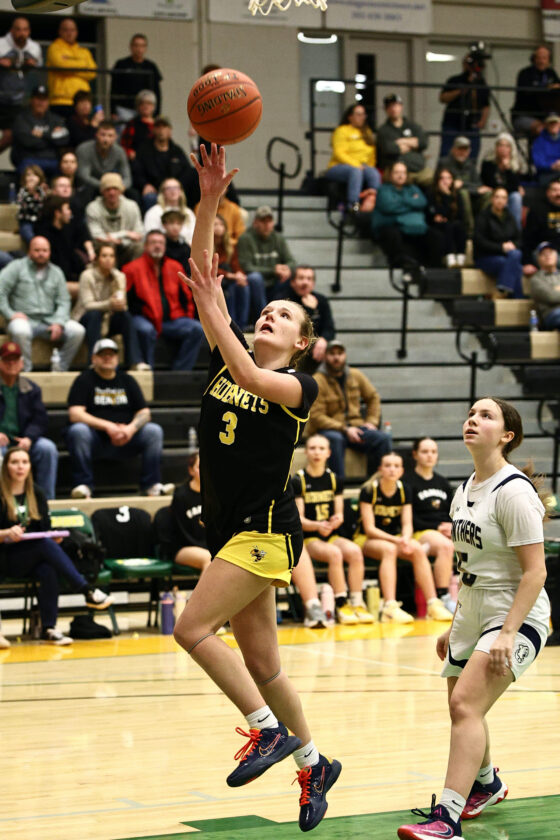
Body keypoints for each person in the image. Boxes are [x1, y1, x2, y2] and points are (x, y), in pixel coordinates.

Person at [173, 144, 341, 831]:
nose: (268, 315)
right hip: (229, 526)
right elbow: (200, 271)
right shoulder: (230, 356)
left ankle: (266, 729)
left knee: (190, 629)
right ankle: (314, 764)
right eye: (265, 310)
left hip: (264, 529)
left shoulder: (300, 386)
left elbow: (247, 374)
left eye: (283, 315)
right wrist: (210, 197)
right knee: (266, 665)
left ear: (302, 342)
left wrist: (212, 303)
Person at [397, 398, 550, 839]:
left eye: (486, 416)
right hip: (473, 607)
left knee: (466, 704)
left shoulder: (513, 491)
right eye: (470, 414)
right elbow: (469, 566)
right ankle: (487, 784)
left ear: (507, 436)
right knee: (463, 707)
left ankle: (446, 821)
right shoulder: (464, 487)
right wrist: (455, 624)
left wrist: (507, 633)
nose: (472, 420)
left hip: (514, 611)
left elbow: (535, 572)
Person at [0, 447, 113, 645]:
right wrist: (6, 533)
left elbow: (44, 529)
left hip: (31, 555)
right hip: (5, 558)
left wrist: (55, 538)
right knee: (44, 546)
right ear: (5, 467)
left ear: (30, 467)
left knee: (48, 568)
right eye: (14, 462)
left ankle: (49, 628)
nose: (20, 467)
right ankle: (86, 590)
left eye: (24, 462)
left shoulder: (36, 493)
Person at [354, 452, 454, 624]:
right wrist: (397, 541)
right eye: (388, 466)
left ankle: (433, 604)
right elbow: (370, 529)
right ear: (380, 469)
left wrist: (406, 539)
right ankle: (390, 607)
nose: (392, 469)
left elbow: (407, 523)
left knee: (417, 548)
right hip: (366, 539)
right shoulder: (369, 490)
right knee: (389, 550)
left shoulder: (404, 489)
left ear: (401, 471)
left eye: (396, 466)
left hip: (395, 538)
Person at [66, 338, 170, 499]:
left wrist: (130, 429)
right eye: (103, 354)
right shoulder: (84, 380)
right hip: (96, 440)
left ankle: (151, 486)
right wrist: (109, 426)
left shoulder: (127, 380)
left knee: (153, 431)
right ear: (93, 358)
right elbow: (75, 413)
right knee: (78, 431)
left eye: (111, 354)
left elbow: (144, 413)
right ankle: (84, 486)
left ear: (117, 358)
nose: (108, 357)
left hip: (126, 438)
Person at [292, 434, 375, 625]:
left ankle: (357, 602)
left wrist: (335, 521)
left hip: (331, 533)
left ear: (328, 453)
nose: (317, 452)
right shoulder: (298, 480)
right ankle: (341, 603)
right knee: (335, 554)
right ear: (306, 452)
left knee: (355, 551)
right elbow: (299, 519)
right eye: (313, 448)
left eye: (321, 448)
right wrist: (318, 525)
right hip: (310, 537)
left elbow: (339, 514)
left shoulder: (334, 479)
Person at [307, 339, 392, 478]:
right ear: (325, 356)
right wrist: (345, 429)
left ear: (345, 355)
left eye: (340, 353)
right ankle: (338, 486)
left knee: (383, 439)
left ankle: (377, 484)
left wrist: (371, 421)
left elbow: (373, 397)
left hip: (356, 427)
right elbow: (316, 416)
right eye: (332, 354)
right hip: (330, 429)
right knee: (335, 439)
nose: (336, 357)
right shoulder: (318, 380)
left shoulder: (356, 375)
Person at [0, 236, 85, 372]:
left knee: (78, 330)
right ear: (29, 251)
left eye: (45, 250)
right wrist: (10, 314)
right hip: (24, 319)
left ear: (49, 252)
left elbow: (64, 301)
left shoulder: (57, 272)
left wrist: (59, 322)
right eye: (37, 250)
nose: (41, 254)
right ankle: (25, 371)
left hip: (50, 320)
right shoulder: (16, 267)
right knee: (20, 330)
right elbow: (1, 291)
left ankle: (60, 367)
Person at [123, 230, 204, 371]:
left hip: (172, 320)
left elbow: (187, 297)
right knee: (146, 329)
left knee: (197, 329)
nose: (157, 246)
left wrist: (187, 315)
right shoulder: (131, 269)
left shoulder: (175, 267)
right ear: (145, 246)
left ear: (165, 246)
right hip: (144, 318)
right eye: (153, 242)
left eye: (161, 243)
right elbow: (126, 300)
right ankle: (148, 372)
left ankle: (180, 373)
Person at [0, 340, 58, 500]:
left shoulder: (32, 388)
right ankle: (4, 501)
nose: (11, 364)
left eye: (15, 360)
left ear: (22, 363)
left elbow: (40, 419)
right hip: (1, 443)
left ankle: (46, 501)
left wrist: (29, 438)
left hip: (23, 441)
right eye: (7, 360)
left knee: (47, 448)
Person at [72, 243, 143, 368]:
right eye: (104, 256)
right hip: (86, 318)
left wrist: (120, 304)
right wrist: (109, 303)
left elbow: (123, 304)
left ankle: (134, 362)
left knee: (125, 316)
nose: (108, 259)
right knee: (95, 315)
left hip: (108, 319)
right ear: (97, 259)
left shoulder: (119, 276)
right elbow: (88, 305)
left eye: (111, 256)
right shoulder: (87, 275)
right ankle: (93, 362)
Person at [407, 437, 456, 614]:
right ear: (415, 454)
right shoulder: (407, 481)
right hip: (420, 532)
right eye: (425, 451)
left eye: (433, 452)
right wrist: (437, 528)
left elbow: (453, 511)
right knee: (446, 546)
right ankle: (443, 597)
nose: (430, 455)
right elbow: (408, 517)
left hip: (443, 531)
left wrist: (452, 526)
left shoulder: (442, 482)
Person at [371, 161, 440, 272]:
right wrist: (411, 204)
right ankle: (401, 267)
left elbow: (422, 202)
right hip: (392, 226)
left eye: (403, 172)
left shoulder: (413, 188)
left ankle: (434, 270)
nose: (400, 175)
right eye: (397, 172)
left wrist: (400, 202)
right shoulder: (383, 189)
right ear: (390, 174)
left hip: (413, 226)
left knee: (435, 235)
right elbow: (389, 207)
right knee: (392, 235)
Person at [276, 265, 335, 373]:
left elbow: (329, 328)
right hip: (291, 344)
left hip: (315, 347)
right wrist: (310, 310)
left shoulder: (321, 300)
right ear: (292, 282)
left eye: (309, 279)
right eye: (301, 278)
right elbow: (296, 329)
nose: (305, 282)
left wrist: (323, 340)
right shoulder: (284, 300)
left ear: (313, 283)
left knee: (334, 350)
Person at [133, 116, 198, 210]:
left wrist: (177, 186)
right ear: (153, 130)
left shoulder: (176, 150)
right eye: (158, 127)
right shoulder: (144, 150)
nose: (161, 130)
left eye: (164, 127)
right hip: (155, 190)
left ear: (170, 130)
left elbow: (187, 170)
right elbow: (137, 171)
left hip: (174, 188)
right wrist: (144, 185)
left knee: (195, 174)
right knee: (150, 197)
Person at [325, 103, 381, 211]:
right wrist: (356, 165)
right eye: (358, 114)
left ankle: (373, 203)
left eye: (363, 114)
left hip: (362, 166)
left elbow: (372, 154)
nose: (362, 117)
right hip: (339, 166)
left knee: (374, 173)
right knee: (355, 171)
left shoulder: (367, 132)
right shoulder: (342, 130)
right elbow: (339, 153)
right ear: (350, 117)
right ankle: (353, 206)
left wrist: (369, 166)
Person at [237, 205, 296, 307]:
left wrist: (286, 268)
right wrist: (273, 270)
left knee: (290, 275)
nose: (267, 225)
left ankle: (282, 311)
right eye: (263, 221)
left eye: (269, 221)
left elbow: (291, 261)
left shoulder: (278, 238)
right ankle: (263, 312)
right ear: (255, 223)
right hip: (256, 282)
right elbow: (247, 266)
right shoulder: (245, 239)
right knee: (255, 278)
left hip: (276, 281)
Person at [34, 195, 93, 295]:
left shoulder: (66, 229)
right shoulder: (44, 235)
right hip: (52, 281)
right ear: (57, 213)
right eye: (67, 209)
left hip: (70, 276)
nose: (70, 212)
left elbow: (73, 255)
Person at [0, 16, 43, 153]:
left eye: (25, 30)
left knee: (13, 136)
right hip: (2, 95)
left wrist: (32, 65)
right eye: (18, 29)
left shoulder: (34, 47)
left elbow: (40, 68)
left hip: (19, 99)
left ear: (29, 31)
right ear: (12, 30)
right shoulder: (1, 44)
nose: (21, 33)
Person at [439, 50, 490, 160]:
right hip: (452, 122)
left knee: (472, 155)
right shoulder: (455, 80)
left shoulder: (481, 83)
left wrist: (483, 120)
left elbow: (486, 104)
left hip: (472, 124)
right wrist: (460, 90)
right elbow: (443, 98)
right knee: (446, 154)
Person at [85, 172, 144, 268]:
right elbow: (96, 236)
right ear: (102, 192)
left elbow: (139, 233)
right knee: (108, 246)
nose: (112, 193)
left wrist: (120, 240)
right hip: (103, 249)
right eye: (108, 189)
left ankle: (132, 274)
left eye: (115, 189)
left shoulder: (132, 206)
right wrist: (126, 233)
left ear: (121, 191)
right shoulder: (93, 208)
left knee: (140, 246)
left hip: (127, 246)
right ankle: (110, 275)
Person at [474, 187, 523, 298]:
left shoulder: (510, 217)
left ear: (507, 201)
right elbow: (479, 241)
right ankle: (517, 298)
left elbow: (519, 239)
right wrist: (501, 247)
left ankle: (505, 286)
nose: (500, 201)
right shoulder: (483, 216)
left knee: (516, 254)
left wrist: (513, 245)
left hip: (507, 256)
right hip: (485, 257)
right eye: (497, 197)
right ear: (492, 199)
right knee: (514, 265)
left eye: (503, 198)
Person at [11, 84, 69, 175]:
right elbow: (27, 141)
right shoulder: (22, 118)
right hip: (29, 159)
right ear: (31, 100)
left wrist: (43, 135)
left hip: (53, 160)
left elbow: (64, 139)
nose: (41, 102)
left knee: (65, 170)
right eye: (38, 99)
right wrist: (52, 138)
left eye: (44, 99)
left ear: (48, 102)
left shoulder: (55, 119)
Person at [46, 17, 97, 120]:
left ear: (76, 32)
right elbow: (61, 66)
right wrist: (83, 64)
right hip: (60, 101)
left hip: (82, 103)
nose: (69, 33)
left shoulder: (84, 51)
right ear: (60, 32)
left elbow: (92, 73)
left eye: (72, 30)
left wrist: (69, 65)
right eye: (66, 30)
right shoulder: (54, 48)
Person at [377, 94, 432, 187]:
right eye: (389, 106)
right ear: (386, 110)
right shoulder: (383, 130)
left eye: (395, 105)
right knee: (401, 178)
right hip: (397, 170)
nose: (393, 109)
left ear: (401, 106)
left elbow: (423, 142)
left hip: (418, 167)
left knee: (436, 180)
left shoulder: (412, 126)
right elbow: (389, 149)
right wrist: (412, 143)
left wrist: (402, 141)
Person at [169, 450, 211, 572]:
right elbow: (180, 531)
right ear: (191, 470)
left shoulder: (215, 494)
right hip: (184, 547)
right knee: (209, 558)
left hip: (210, 546)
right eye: (199, 467)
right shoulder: (181, 495)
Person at [110, 33, 162, 122]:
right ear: (131, 47)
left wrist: (157, 112)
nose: (139, 49)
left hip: (146, 110)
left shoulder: (151, 66)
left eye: (142, 46)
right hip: (125, 109)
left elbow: (157, 92)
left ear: (145, 48)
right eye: (136, 45)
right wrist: (112, 110)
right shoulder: (121, 64)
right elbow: (113, 89)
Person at [76, 121, 133, 201]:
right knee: (87, 192)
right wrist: (106, 186)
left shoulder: (119, 151)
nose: (106, 139)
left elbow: (127, 177)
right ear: (96, 135)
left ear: (115, 137)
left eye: (110, 136)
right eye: (103, 135)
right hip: (91, 185)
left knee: (133, 194)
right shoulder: (84, 149)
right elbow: (84, 176)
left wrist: (119, 187)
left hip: (113, 185)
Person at [511, 46, 560, 136]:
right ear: (533, 59)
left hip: (547, 116)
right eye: (539, 58)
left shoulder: (551, 73)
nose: (541, 61)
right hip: (524, 116)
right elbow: (527, 91)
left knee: (555, 127)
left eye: (544, 58)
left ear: (549, 60)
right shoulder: (525, 73)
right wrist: (547, 87)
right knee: (542, 129)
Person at [426, 168, 468, 268]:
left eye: (449, 178)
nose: (445, 181)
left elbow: (460, 215)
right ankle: (450, 257)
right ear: (437, 180)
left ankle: (461, 258)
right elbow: (433, 214)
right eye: (442, 178)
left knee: (459, 226)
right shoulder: (431, 194)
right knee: (447, 225)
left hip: (454, 224)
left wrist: (448, 195)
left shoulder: (457, 195)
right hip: (437, 226)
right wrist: (446, 196)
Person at [480, 133, 524, 229]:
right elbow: (488, 183)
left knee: (516, 197)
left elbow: (514, 187)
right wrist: (500, 192)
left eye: (507, 146)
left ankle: (516, 231)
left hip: (508, 195)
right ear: (496, 147)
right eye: (500, 145)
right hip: (493, 193)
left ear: (511, 149)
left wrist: (508, 169)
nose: (503, 148)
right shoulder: (488, 163)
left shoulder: (515, 165)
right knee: (492, 196)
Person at [143, 178, 196, 245]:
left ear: (181, 191)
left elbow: (194, 235)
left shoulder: (188, 212)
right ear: (163, 192)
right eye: (168, 188)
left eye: (176, 188)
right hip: (163, 247)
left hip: (187, 248)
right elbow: (150, 235)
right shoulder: (153, 212)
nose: (173, 191)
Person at [529, 241, 560, 329]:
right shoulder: (536, 279)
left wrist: (556, 290)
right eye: (543, 254)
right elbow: (551, 297)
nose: (547, 256)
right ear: (537, 259)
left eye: (550, 252)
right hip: (552, 314)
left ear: (557, 256)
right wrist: (554, 292)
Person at [16, 164, 49, 244]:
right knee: (29, 235)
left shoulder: (42, 191)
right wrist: (31, 193)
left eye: (35, 175)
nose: (31, 177)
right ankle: (35, 245)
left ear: (40, 178)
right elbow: (23, 205)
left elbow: (43, 205)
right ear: (24, 178)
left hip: (40, 221)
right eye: (28, 175)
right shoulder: (23, 191)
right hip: (27, 221)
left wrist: (44, 193)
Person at [120, 90, 156, 160]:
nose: (145, 106)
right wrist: (129, 153)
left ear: (153, 107)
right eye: (142, 103)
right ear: (138, 106)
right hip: (137, 161)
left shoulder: (158, 125)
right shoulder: (132, 124)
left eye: (149, 103)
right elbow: (124, 146)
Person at [531, 112, 560, 184]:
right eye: (551, 123)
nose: (553, 125)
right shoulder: (539, 141)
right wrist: (552, 166)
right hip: (546, 175)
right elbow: (538, 163)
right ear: (546, 125)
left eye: (555, 123)